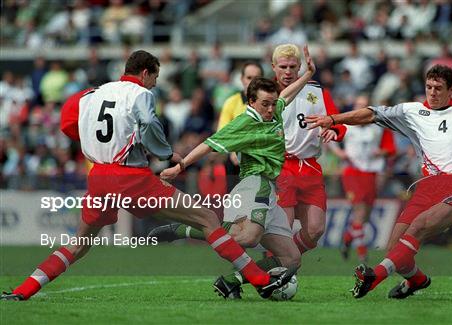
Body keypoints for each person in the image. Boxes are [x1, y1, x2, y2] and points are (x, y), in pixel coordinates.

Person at [0, 50, 292, 301]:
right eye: (155, 77)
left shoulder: (90, 94)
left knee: (79, 242)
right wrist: (167, 154)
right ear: (145, 73)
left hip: (99, 177)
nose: (155, 84)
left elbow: (67, 123)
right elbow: (151, 129)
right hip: (131, 177)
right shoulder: (142, 94)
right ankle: (261, 280)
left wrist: (96, 143)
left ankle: (25, 289)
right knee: (207, 218)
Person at [306, 64, 452, 299]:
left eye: (438, 88)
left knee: (419, 227)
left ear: (451, 89)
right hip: (427, 187)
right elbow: (370, 113)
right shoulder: (410, 111)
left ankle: (374, 277)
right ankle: (417, 280)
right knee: (394, 249)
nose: (432, 92)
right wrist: (333, 118)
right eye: (428, 87)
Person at [150, 46, 316, 299]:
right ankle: (183, 230)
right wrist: (180, 166)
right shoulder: (245, 122)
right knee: (248, 238)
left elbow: (287, 96)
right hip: (254, 183)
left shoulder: (274, 109)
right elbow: (209, 144)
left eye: (273, 103)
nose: (271, 109)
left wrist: (307, 75)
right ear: (251, 102)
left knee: (292, 259)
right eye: (265, 104)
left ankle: (229, 281)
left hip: (271, 190)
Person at [272, 43, 347, 255]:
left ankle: (277, 261)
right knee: (282, 228)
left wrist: (334, 130)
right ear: (273, 67)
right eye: (283, 67)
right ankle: (280, 268)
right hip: (281, 166)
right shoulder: (267, 93)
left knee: (315, 230)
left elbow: (338, 121)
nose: (287, 72)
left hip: (310, 167)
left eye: (292, 67)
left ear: (299, 68)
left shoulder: (316, 91)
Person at [329, 95, 396, 262]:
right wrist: (339, 153)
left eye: (364, 106)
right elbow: (328, 136)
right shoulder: (346, 125)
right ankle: (362, 254)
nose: (360, 110)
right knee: (359, 210)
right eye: (358, 105)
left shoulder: (378, 127)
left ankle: (347, 239)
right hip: (352, 171)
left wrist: (381, 152)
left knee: (365, 215)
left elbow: (390, 148)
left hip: (372, 172)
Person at [217, 61, 264, 191]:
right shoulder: (231, 102)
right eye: (249, 78)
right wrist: (234, 151)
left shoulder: (269, 104)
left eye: (256, 78)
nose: (252, 82)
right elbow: (223, 134)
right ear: (242, 79)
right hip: (236, 159)